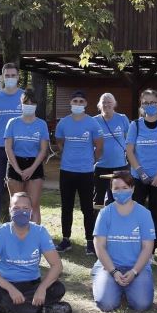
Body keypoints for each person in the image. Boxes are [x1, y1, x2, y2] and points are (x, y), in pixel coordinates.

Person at [0, 192, 72, 313]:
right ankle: (43, 309)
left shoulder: (40, 232)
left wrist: (42, 289)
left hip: (32, 285)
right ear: (10, 210)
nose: (21, 212)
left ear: (31, 211)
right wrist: (11, 289)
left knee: (58, 288)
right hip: (6, 285)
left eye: (25, 208)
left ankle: (3, 308)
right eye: (16, 208)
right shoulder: (0, 233)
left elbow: (57, 266)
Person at [91, 171, 156, 312]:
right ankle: (112, 286)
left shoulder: (144, 214)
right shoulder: (105, 213)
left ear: (132, 188)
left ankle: (126, 288)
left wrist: (134, 272)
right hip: (109, 267)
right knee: (106, 304)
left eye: (125, 188)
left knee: (142, 305)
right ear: (112, 190)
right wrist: (113, 271)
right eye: (116, 188)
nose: (120, 191)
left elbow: (147, 247)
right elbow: (99, 246)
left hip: (137, 267)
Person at [53, 90, 104, 255]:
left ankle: (90, 242)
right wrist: (67, 154)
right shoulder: (63, 123)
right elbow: (59, 142)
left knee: (87, 208)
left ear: (86, 104)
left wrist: (91, 160)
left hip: (86, 172)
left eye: (81, 101)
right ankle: (66, 240)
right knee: (66, 207)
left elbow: (99, 146)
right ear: (70, 103)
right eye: (75, 101)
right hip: (67, 171)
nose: (78, 104)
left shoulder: (92, 123)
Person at [124, 88, 157, 246]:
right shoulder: (135, 125)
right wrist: (140, 172)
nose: (149, 105)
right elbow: (129, 151)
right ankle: (136, 245)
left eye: (153, 102)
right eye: (146, 103)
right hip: (139, 178)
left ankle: (152, 248)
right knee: (137, 213)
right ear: (141, 105)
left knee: (155, 213)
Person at [0, 62, 24, 234]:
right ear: (2, 77)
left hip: (21, 151)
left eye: (13, 75)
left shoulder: (25, 96)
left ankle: (20, 226)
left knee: (20, 192)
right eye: (7, 75)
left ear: (18, 77)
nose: (10, 78)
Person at [3, 88, 50, 224]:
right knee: (16, 205)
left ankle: (35, 236)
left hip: (34, 164)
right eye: (26, 103)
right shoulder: (12, 122)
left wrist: (32, 168)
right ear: (21, 104)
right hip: (15, 163)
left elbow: (43, 150)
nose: (29, 106)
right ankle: (16, 234)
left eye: (31, 103)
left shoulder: (41, 124)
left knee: (33, 205)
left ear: (36, 105)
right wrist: (17, 169)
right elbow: (8, 148)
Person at [94, 92, 130, 208]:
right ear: (100, 105)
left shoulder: (122, 118)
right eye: (104, 102)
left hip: (120, 166)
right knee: (98, 199)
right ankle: (96, 224)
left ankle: (118, 224)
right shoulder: (94, 121)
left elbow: (130, 140)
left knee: (118, 198)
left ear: (114, 104)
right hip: (100, 165)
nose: (106, 104)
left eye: (109, 102)